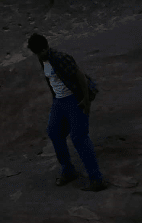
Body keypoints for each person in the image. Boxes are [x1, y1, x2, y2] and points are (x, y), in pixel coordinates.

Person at [27, 33, 105, 192]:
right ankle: (68, 170)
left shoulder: (60, 58)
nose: (38, 56)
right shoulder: (42, 59)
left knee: (79, 138)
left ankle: (96, 179)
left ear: (45, 48)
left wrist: (85, 100)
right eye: (35, 53)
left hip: (74, 100)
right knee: (54, 132)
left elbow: (80, 76)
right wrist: (56, 99)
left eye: (39, 52)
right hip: (59, 101)